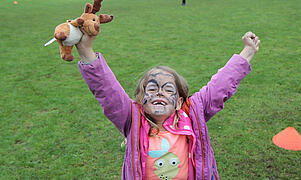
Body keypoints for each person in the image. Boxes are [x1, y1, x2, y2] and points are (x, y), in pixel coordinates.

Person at [75, 30, 260, 180]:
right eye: (153, 88)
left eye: (169, 90)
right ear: (141, 99)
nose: (160, 92)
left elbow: (221, 85)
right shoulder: (132, 119)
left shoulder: (193, 113)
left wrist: (247, 52)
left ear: (179, 102)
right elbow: (107, 90)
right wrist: (86, 50)